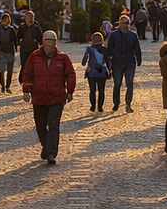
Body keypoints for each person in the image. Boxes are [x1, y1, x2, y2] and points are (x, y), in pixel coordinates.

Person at [20, 30, 76, 165]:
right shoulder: (34, 57)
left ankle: (51, 153)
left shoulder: (63, 58)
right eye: (48, 45)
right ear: (43, 44)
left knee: (53, 124)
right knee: (40, 126)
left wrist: (70, 91)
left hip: (57, 97)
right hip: (38, 97)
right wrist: (26, 90)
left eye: (52, 46)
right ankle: (46, 147)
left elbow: (70, 74)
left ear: (55, 44)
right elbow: (27, 73)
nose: (50, 49)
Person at [106, 15, 143, 113]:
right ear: (120, 24)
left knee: (129, 84)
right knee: (117, 84)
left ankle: (128, 104)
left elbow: (137, 48)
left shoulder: (133, 35)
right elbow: (109, 49)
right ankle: (116, 103)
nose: (126, 25)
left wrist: (139, 59)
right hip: (117, 62)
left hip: (130, 62)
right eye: (124, 23)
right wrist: (108, 61)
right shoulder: (113, 35)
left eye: (128, 23)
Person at [82, 32, 110, 112]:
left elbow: (83, 62)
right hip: (102, 72)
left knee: (92, 90)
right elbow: (108, 61)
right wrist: (109, 71)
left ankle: (93, 106)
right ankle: (100, 107)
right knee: (101, 90)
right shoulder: (104, 49)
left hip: (91, 72)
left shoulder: (89, 49)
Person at [0, 11, 19, 92]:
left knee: (10, 70)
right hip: (0, 50)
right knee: (2, 70)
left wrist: (16, 48)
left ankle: (7, 86)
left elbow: (15, 40)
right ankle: (2, 86)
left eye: (8, 20)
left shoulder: (12, 30)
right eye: (5, 19)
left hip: (10, 51)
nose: (6, 21)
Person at [16, 9, 44, 85]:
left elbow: (41, 38)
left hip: (33, 49)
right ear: (25, 18)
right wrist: (18, 44)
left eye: (31, 17)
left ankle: (32, 80)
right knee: (24, 65)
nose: (30, 18)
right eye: (28, 16)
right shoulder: (22, 27)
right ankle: (22, 80)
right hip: (24, 49)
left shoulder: (36, 27)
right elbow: (18, 37)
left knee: (33, 66)